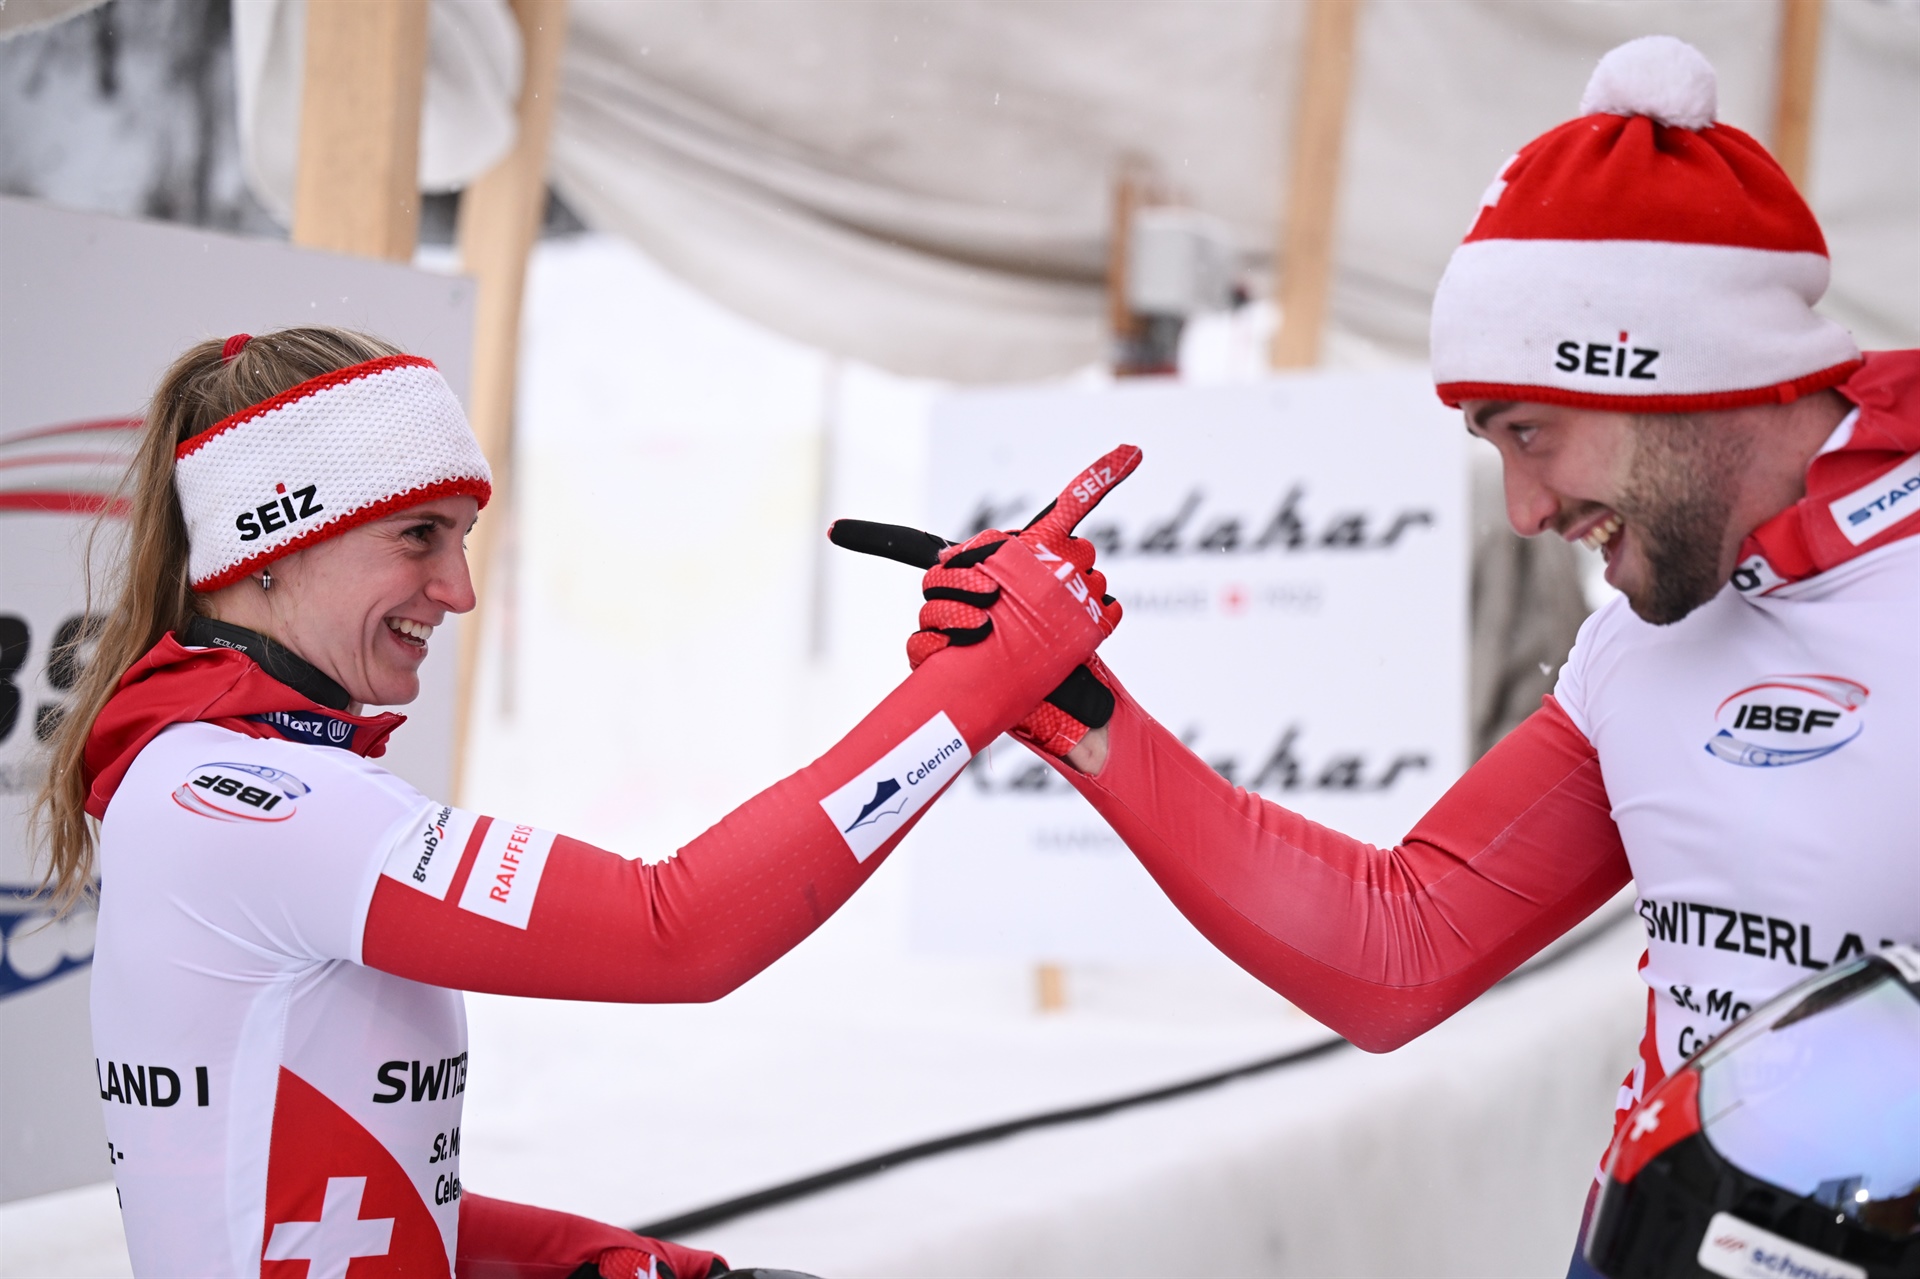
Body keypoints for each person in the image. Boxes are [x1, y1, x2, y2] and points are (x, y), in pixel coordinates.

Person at [865, 36, 1919, 1273]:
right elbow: (1397, 946)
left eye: (1532, 432)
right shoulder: (1639, 646)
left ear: (1672, 376)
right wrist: (1075, 705)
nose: (1525, 510)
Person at [33, 325, 1137, 1278]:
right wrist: (978, 683)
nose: (458, 589)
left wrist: (603, 1261)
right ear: (275, 541)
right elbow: (678, 934)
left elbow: (304, 1206)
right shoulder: (252, 802)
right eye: (418, 534)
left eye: (462, 537)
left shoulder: (226, 776)